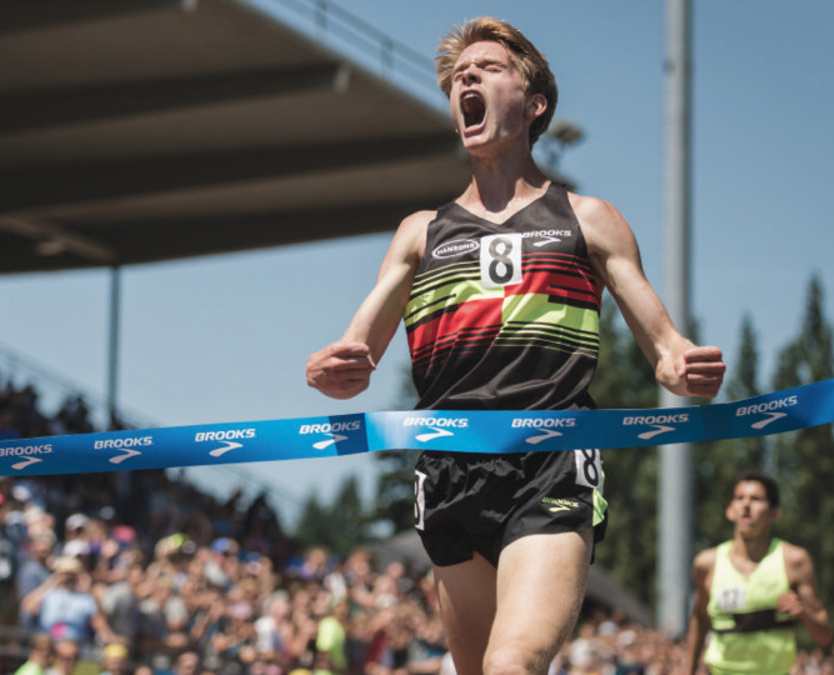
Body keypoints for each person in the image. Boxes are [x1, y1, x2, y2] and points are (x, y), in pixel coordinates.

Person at [305, 17, 726, 675]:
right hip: (446, 466)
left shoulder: (588, 219)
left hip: (551, 460)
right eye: (458, 75)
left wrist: (685, 369)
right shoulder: (420, 234)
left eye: (489, 67)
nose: (467, 76)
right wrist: (332, 369)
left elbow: (668, 351)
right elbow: (355, 354)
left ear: (535, 106)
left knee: (513, 662)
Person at [683, 470, 832, 675]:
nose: (746, 505)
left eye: (756, 499)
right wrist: (686, 671)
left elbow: (824, 637)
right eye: (739, 498)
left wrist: (803, 613)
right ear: (730, 510)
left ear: (774, 513)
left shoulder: (794, 561)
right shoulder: (707, 564)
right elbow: (699, 621)